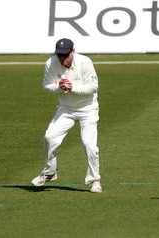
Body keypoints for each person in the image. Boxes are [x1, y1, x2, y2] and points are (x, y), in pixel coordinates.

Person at [31, 38, 102, 193]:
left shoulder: (85, 62)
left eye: (65, 55)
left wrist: (72, 87)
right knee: (49, 137)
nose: (62, 58)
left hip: (88, 108)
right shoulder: (51, 63)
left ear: (73, 52)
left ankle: (94, 181)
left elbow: (93, 87)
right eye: (59, 55)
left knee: (89, 144)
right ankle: (50, 171)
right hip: (66, 109)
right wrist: (59, 87)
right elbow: (46, 85)